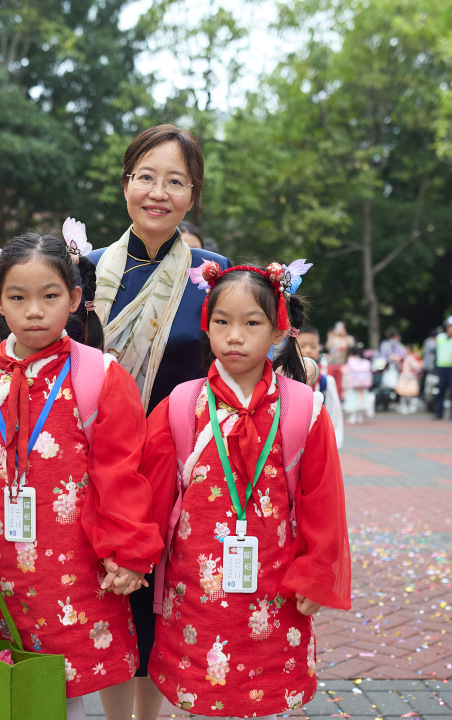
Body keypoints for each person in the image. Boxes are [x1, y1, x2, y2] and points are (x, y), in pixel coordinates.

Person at [0, 125, 228, 720]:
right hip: (88, 467)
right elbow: (38, 334)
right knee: (103, 601)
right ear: (126, 183)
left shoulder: (212, 275)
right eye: (146, 177)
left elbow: (236, 353)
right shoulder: (87, 268)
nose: (158, 192)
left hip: (176, 466)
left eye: (176, 181)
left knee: (159, 603)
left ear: (193, 193)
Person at [0, 232, 163, 720]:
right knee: (2, 688)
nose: (34, 311)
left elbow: (121, 474)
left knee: (65, 692)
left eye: (50, 296)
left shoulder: (100, 376)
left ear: (73, 298)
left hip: (76, 573)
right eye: (18, 297)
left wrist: (127, 553)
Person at [140, 261, 351, 718]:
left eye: (251, 323)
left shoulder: (303, 410)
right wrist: (131, 557)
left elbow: (322, 502)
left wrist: (316, 573)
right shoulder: (182, 405)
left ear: (278, 330)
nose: (234, 336)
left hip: (275, 590)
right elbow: (151, 496)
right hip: (194, 592)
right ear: (207, 325)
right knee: (196, 698)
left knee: (266, 697)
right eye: (222, 322)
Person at [296, 325, 344, 449]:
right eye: (302, 346)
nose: (308, 350)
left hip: (319, 443)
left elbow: (334, 413)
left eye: (313, 346)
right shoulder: (284, 378)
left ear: (319, 348)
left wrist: (335, 442)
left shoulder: (326, 382)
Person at [342, 345, 373, 424]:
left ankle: (353, 417)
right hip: (363, 385)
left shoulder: (350, 361)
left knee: (352, 399)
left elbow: (346, 373)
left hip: (353, 384)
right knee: (362, 399)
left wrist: (345, 384)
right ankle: (360, 417)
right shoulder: (364, 362)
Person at [325, 321, 354, 391]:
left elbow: (351, 348)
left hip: (343, 365)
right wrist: (332, 336)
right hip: (332, 364)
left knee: (341, 385)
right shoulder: (334, 338)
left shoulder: (348, 338)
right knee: (331, 383)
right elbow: (327, 347)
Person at [394, 346, 424, 415]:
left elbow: (419, 367)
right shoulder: (403, 358)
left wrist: (412, 363)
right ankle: (403, 407)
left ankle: (412, 407)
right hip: (403, 376)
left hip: (411, 377)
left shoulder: (414, 357)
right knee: (402, 394)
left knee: (410, 394)